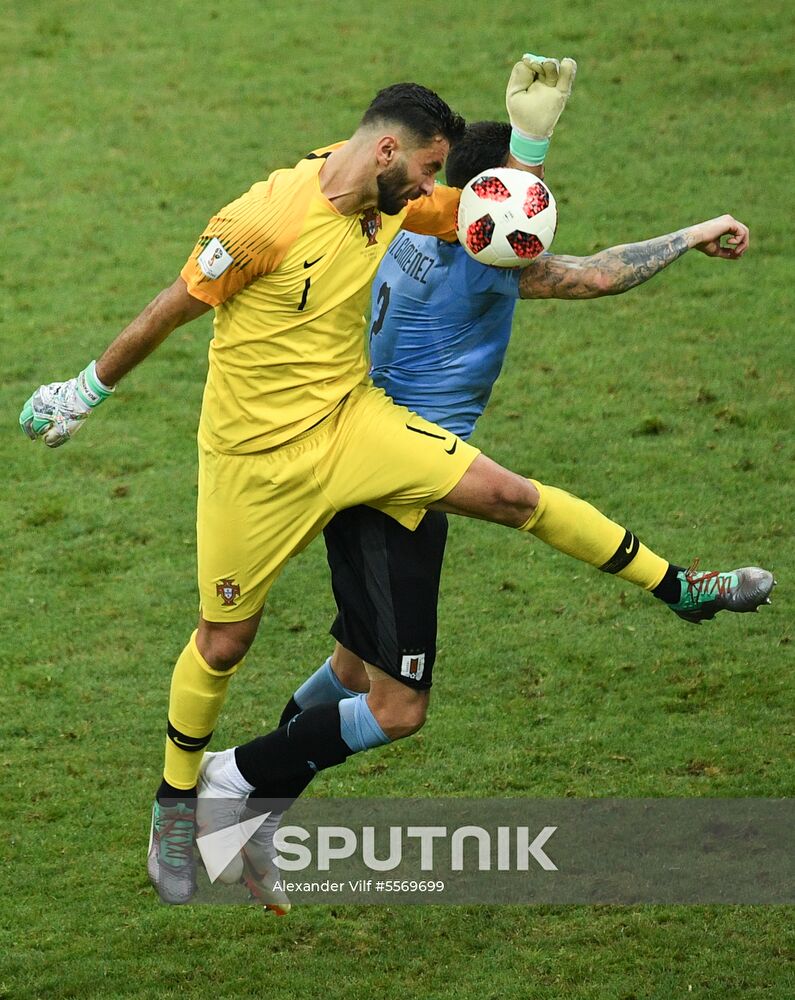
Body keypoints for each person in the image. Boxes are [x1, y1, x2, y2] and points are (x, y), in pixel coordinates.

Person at [18, 57, 772, 908]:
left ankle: (678, 590)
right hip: (250, 460)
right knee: (230, 643)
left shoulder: (406, 208)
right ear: (385, 152)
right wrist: (83, 391)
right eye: (422, 170)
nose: (428, 189)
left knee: (507, 501)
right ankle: (186, 800)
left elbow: (499, 215)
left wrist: (530, 141)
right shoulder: (263, 221)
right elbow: (173, 304)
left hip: (352, 423)